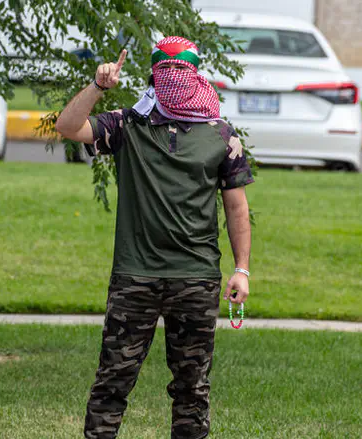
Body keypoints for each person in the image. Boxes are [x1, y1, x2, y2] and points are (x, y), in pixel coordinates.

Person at [55, 36, 254, 439]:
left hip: (195, 279)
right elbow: (68, 126)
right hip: (135, 278)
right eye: (167, 70)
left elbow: (237, 208)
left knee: (192, 391)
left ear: (196, 74)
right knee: (112, 384)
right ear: (152, 75)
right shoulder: (129, 125)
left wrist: (242, 270)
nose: (175, 78)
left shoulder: (221, 136)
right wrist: (97, 86)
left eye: (183, 70)